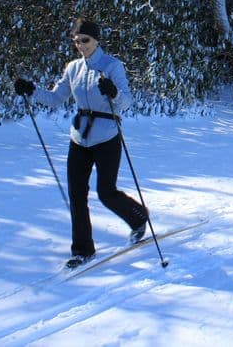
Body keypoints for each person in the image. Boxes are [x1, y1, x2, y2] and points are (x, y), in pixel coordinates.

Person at [14, 18, 148, 269]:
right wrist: (30, 90)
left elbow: (127, 102)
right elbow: (56, 98)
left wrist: (114, 92)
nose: (80, 46)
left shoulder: (112, 66)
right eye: (76, 42)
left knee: (106, 192)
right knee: (76, 195)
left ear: (96, 40)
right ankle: (82, 251)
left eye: (84, 40)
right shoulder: (73, 68)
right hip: (80, 138)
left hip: (107, 136)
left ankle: (138, 218)